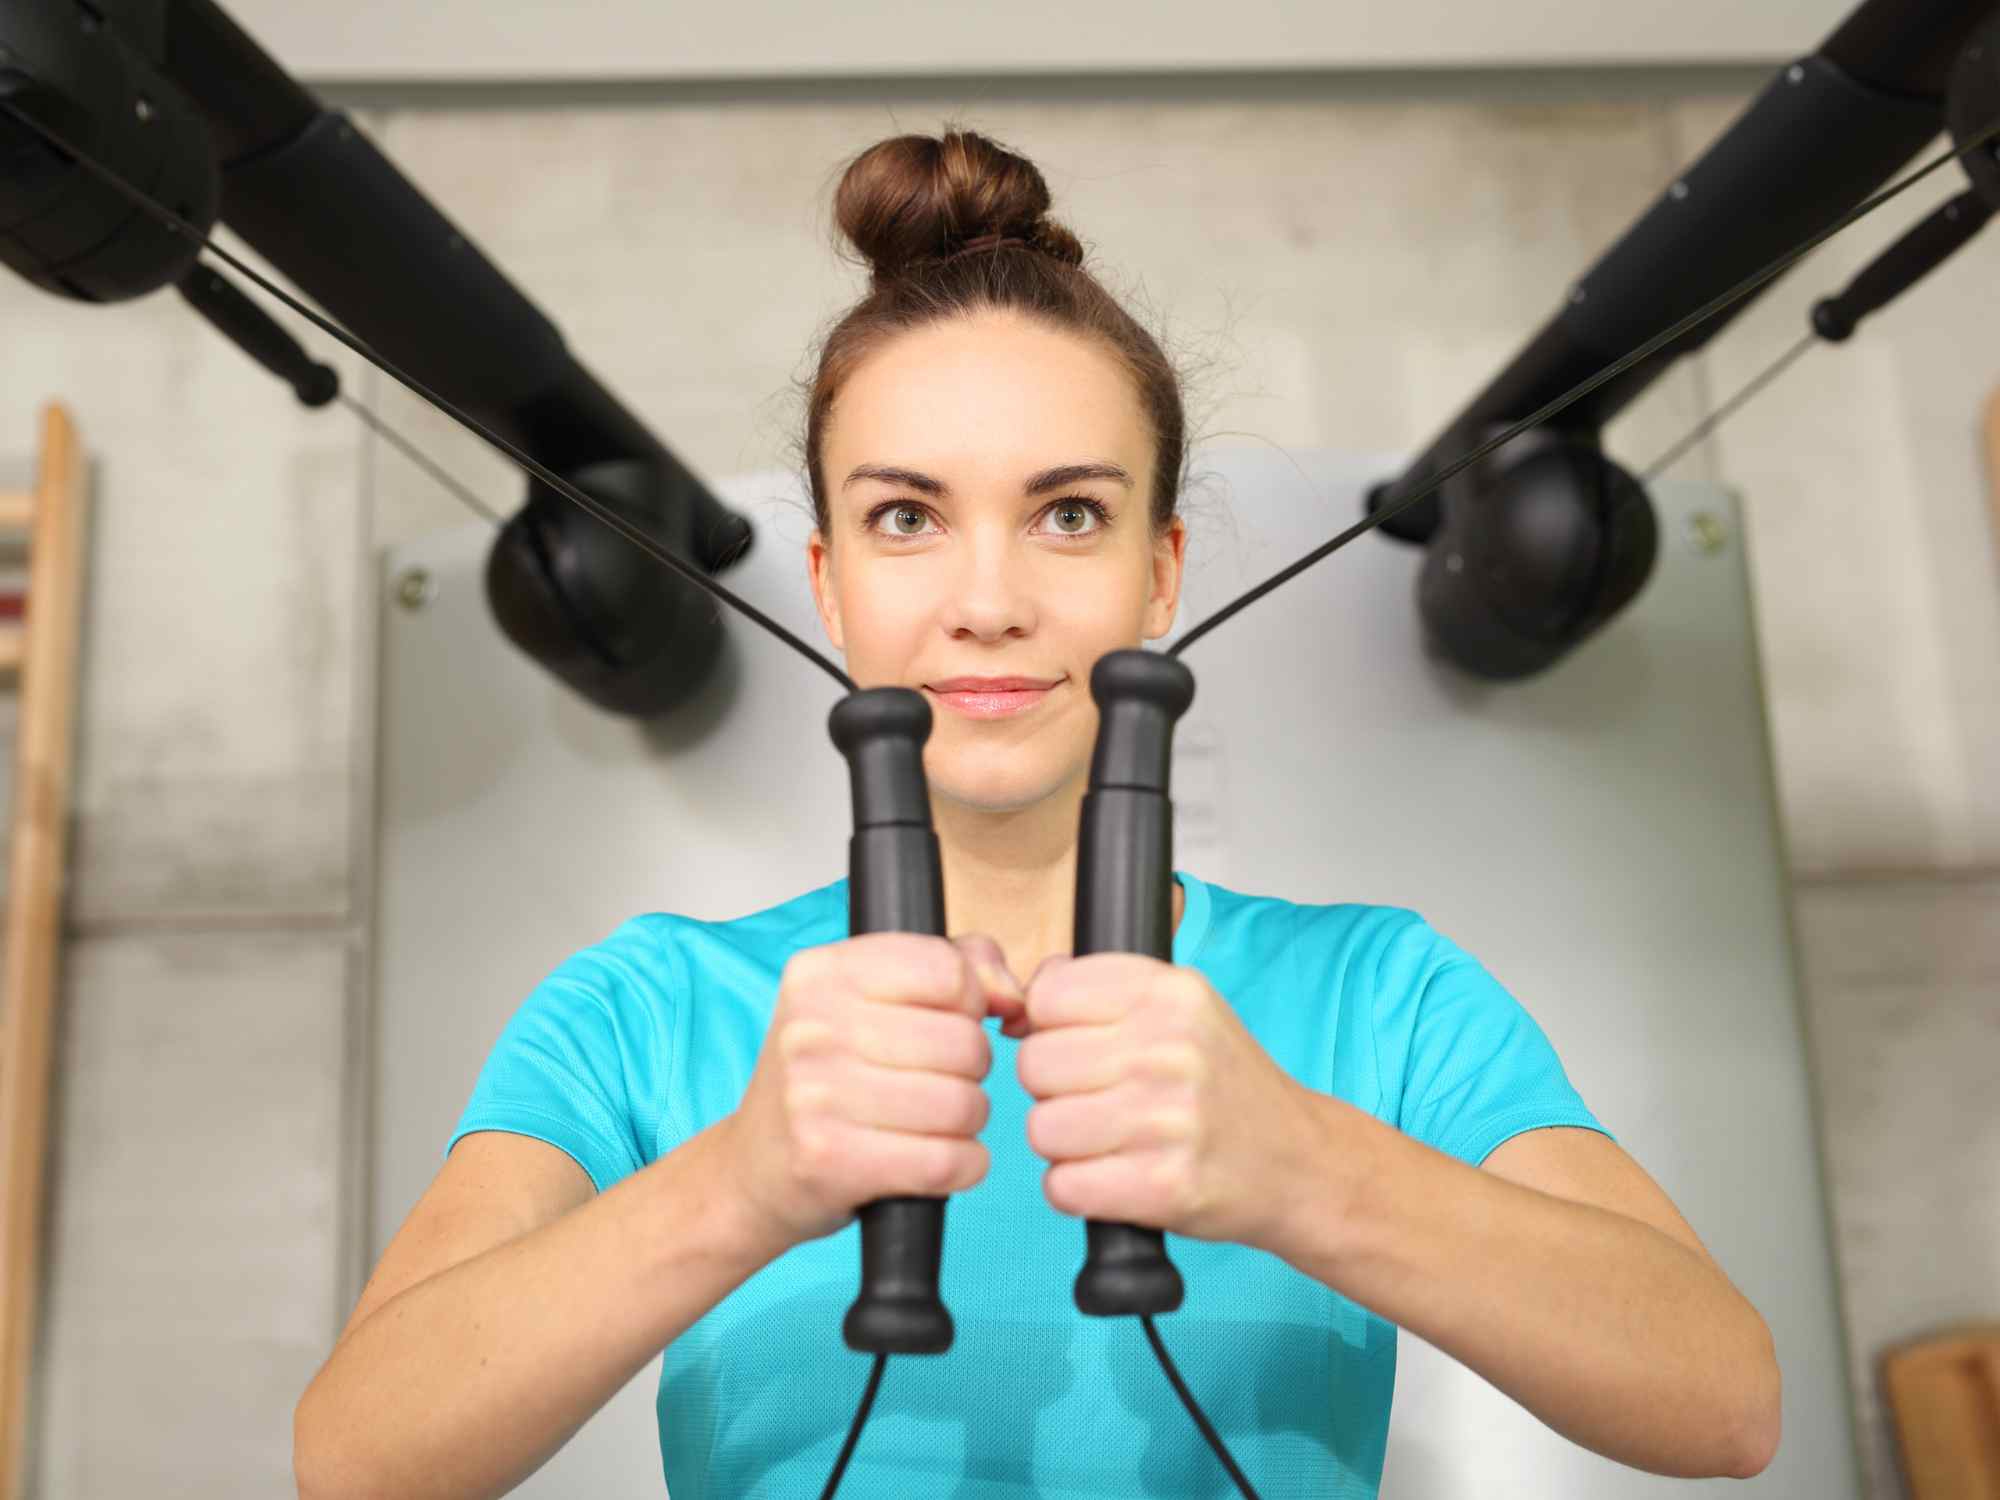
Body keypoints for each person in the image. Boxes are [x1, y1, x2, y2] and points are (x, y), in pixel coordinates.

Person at [293, 126, 1780, 1500]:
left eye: (1069, 513)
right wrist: (736, 1188)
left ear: (1161, 571)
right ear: (827, 585)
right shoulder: (642, 1006)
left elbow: (1725, 1402)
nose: (989, 604)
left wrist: (1313, 1172)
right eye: (906, 518)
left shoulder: (1378, 992)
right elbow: (355, 1457)